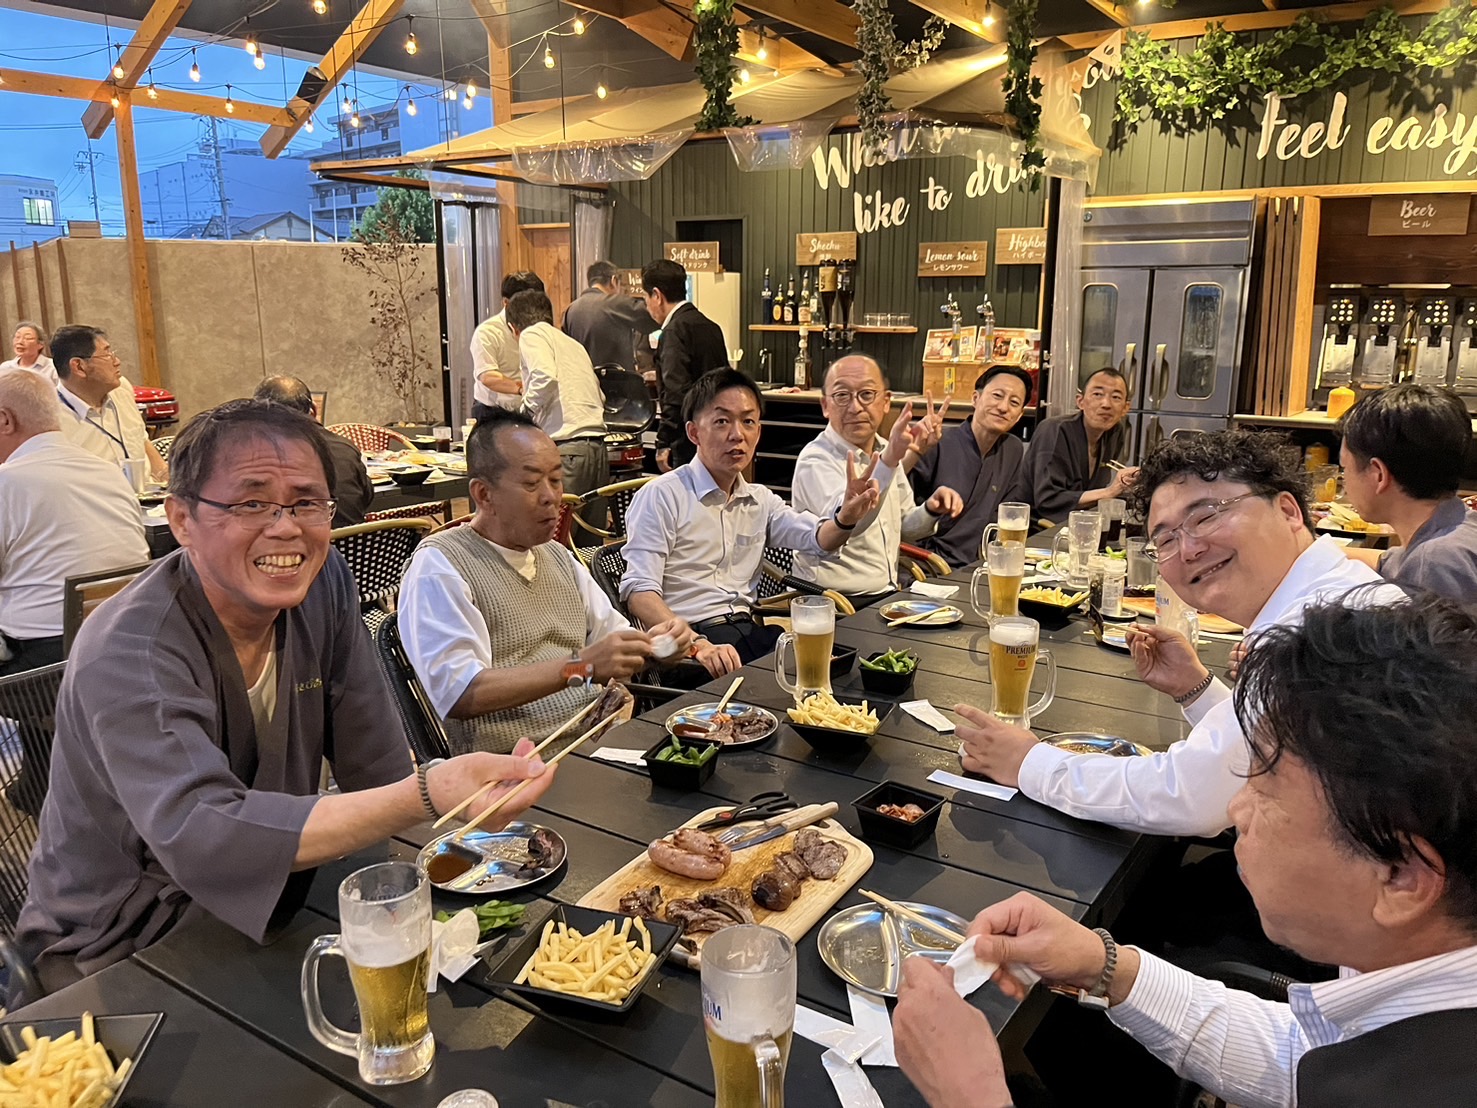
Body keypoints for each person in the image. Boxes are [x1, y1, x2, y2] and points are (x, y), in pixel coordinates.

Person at [13, 399, 558, 998]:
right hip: (121, 944)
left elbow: (375, 763)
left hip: (278, 900)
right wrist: (427, 793)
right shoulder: (131, 646)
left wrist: (414, 879)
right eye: (252, 504)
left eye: (305, 502)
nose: (286, 528)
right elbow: (203, 832)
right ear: (182, 518)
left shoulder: (322, 584)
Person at [895, 597, 1477, 1108]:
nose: (1237, 810)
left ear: (1401, 878)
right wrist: (1105, 965)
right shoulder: (1411, 1010)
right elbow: (1302, 1059)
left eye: (1267, 791)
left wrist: (971, 1095)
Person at [958, 430, 1403, 837]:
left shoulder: (1322, 632)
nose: (1188, 549)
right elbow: (1262, 749)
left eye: (1205, 517)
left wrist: (1028, 762)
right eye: (1166, 540)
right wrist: (1197, 690)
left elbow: (1189, 795)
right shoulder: (1335, 593)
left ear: (1287, 510)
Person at [399, 408, 700, 754]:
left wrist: (660, 646)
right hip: (517, 767)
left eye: (556, 480)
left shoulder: (558, 556)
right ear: (483, 494)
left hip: (598, 743)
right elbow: (461, 693)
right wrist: (582, 667)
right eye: (531, 484)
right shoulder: (440, 565)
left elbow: (615, 649)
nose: (551, 497)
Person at [621, 369, 880, 673]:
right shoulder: (662, 495)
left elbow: (818, 539)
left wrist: (845, 518)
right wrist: (697, 645)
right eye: (722, 421)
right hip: (690, 649)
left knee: (842, 668)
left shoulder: (760, 500)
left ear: (758, 431)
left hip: (746, 633)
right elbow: (639, 593)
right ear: (694, 433)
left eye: (747, 422)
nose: (737, 435)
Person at [0, 371, 149, 817]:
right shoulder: (107, 472)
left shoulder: (8, 483)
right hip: (127, 649)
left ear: (5, 420)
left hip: (43, 674)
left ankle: (49, 791)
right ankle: (42, 784)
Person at [791, 355, 959, 605]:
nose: (856, 407)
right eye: (842, 395)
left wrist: (931, 510)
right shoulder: (815, 460)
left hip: (886, 593)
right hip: (833, 600)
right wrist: (890, 459)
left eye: (867, 394)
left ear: (886, 402)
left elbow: (906, 528)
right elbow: (848, 525)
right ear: (825, 405)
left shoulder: (884, 448)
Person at [1338, 382, 1477, 602]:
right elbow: (1385, 560)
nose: (1344, 480)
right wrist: (1307, 550)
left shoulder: (1434, 563)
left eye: (1344, 467)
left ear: (1378, 475)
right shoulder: (1458, 525)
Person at [909, 365, 1032, 567]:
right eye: (997, 396)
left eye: (1014, 402)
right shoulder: (938, 442)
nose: (1003, 407)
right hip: (930, 564)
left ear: (1019, 415)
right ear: (976, 398)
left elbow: (1005, 514)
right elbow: (900, 511)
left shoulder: (1013, 449)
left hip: (981, 564)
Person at [505, 288, 609, 502]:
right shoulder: (572, 343)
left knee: (557, 522)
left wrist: (523, 416)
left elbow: (544, 376)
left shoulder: (531, 334)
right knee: (587, 523)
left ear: (513, 328)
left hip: (568, 448)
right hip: (597, 448)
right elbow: (600, 395)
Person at [640, 258, 729, 472]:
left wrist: (663, 442)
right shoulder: (711, 327)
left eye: (646, 298)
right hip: (717, 434)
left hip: (688, 438)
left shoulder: (673, 331)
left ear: (657, 296)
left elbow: (676, 393)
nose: (647, 306)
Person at [50, 324, 167, 483]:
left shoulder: (121, 389)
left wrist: (165, 476)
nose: (117, 362)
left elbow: (142, 440)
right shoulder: (51, 419)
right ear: (79, 366)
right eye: (107, 355)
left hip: (147, 493)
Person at [252, 375, 373, 528]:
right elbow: (367, 496)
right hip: (357, 541)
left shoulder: (257, 457)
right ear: (314, 410)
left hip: (303, 542)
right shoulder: (345, 447)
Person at [1023, 367, 1136, 524]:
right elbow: (1048, 500)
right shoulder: (1055, 430)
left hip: (1078, 523)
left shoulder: (1114, 432)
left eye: (1116, 397)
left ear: (1125, 408)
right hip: (1035, 524)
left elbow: (1093, 492)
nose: (1106, 404)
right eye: (1097, 394)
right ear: (1080, 402)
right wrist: (1110, 492)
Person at [470, 271, 544, 419]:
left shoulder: (539, 328)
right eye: (526, 304)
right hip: (492, 410)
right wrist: (522, 388)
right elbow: (488, 377)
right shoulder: (488, 332)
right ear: (506, 302)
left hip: (527, 407)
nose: (532, 310)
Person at [562, 260, 658, 372]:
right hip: (616, 380)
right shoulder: (616, 304)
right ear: (614, 280)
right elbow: (654, 317)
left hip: (583, 379)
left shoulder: (570, 311)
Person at [0, 321, 58, 386]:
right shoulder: (5, 368)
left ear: (40, 344)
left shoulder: (52, 367)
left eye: (28, 338)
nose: (20, 342)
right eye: (17, 337)